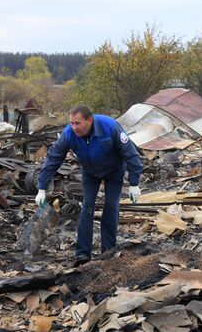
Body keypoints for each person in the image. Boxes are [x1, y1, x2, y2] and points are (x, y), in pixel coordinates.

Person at [35, 105, 143, 267]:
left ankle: (108, 251)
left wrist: (134, 183)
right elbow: (54, 159)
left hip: (114, 171)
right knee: (87, 207)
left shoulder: (110, 127)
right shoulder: (69, 134)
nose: (74, 127)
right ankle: (83, 254)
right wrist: (42, 187)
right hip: (90, 172)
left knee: (111, 207)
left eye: (77, 123)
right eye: (71, 123)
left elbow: (131, 154)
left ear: (89, 120)